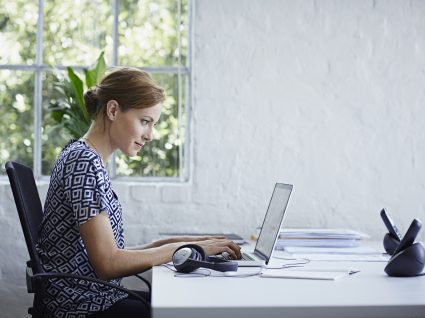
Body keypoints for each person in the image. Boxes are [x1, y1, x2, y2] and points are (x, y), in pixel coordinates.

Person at [36, 67, 241, 318]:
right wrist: (190, 247)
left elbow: (116, 253)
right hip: (84, 307)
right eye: (145, 121)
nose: (150, 135)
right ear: (113, 110)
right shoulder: (84, 163)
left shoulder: (85, 157)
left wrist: (194, 243)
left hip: (97, 297)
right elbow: (108, 264)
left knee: (187, 304)